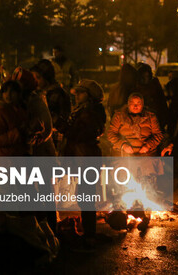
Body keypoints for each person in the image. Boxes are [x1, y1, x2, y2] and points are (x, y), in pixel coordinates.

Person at [62, 79, 107, 251]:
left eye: (81, 92)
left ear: (89, 96)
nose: (77, 96)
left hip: (86, 157)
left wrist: (62, 126)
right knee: (84, 194)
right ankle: (88, 233)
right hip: (83, 156)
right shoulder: (83, 111)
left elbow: (78, 134)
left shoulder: (89, 114)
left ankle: (90, 236)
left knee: (86, 195)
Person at [11, 67, 55, 156]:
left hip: (40, 152)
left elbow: (47, 126)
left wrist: (35, 140)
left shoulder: (35, 101)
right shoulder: (21, 100)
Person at [31, 59, 71, 154]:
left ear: (47, 78)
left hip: (55, 141)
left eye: (38, 77)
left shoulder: (57, 94)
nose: (36, 81)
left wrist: (49, 118)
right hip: (40, 142)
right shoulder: (37, 94)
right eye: (34, 78)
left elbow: (63, 121)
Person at [0, 80, 33, 157]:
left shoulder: (19, 111)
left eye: (12, 91)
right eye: (5, 91)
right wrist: (18, 132)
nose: (8, 95)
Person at [135, 62, 169, 132]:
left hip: (155, 117)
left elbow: (162, 101)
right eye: (143, 77)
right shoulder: (136, 86)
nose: (145, 79)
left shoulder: (154, 84)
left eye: (147, 76)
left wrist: (163, 120)